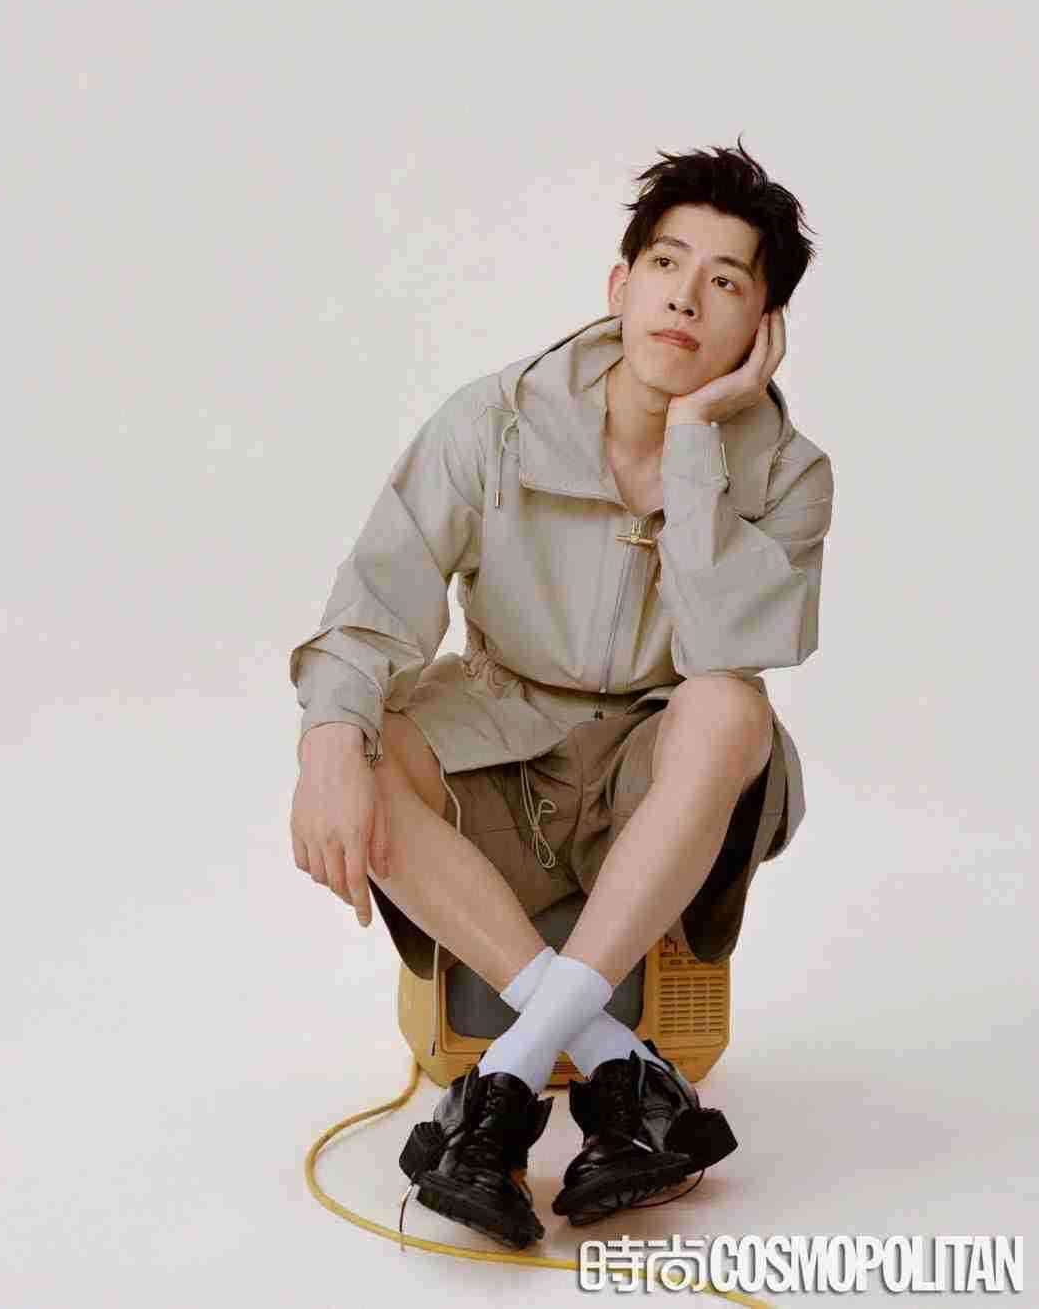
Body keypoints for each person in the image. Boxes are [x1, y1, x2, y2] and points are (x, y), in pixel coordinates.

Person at [289, 138, 834, 1248]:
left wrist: (695, 443)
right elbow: (373, 605)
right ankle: (619, 1074)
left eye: (727, 282)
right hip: (500, 740)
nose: (686, 298)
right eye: (667, 263)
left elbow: (728, 648)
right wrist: (326, 744)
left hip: (657, 775)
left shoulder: (789, 474)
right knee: (360, 739)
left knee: (731, 706)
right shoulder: (492, 421)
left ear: (763, 329)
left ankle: (494, 1094)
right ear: (620, 283)